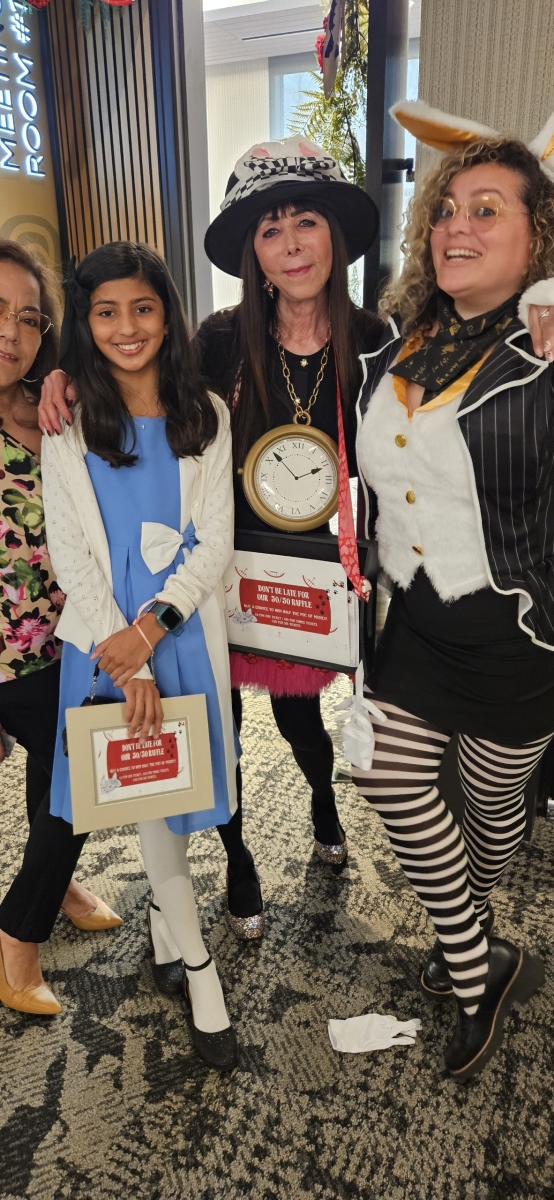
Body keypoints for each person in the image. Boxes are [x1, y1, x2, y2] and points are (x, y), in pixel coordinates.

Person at [39, 137, 383, 948]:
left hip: (313, 573)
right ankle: (238, 859)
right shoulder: (224, 339)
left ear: (334, 234)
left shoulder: (375, 338)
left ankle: (322, 800)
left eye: (306, 221)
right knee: (213, 722)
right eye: (270, 229)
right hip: (216, 570)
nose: (291, 244)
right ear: (252, 252)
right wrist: (60, 372)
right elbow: (140, 375)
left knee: (301, 722)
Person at [352, 122, 554, 1081]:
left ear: (537, 238)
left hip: (522, 636)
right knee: (385, 772)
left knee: (488, 821)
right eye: (445, 210)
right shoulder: (398, 342)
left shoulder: (547, 347)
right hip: (418, 623)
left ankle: (466, 923)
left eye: (487, 210)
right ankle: (480, 967)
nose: (456, 227)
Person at [41, 242, 239, 1071]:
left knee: (180, 798)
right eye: (106, 312)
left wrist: (153, 631)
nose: (127, 327)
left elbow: (215, 542)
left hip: (179, 628)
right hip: (107, 641)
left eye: (144, 308)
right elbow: (72, 557)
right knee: (156, 799)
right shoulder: (68, 424)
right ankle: (199, 969)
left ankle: (164, 927)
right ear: (85, 324)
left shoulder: (207, 414)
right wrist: (129, 659)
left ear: (168, 313)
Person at [0, 239, 120, 1021]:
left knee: (57, 776)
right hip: (9, 659)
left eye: (28, 317)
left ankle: (59, 882)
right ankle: (18, 938)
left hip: (72, 638)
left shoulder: (44, 401)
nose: (11, 332)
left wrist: (64, 376)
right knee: (81, 783)